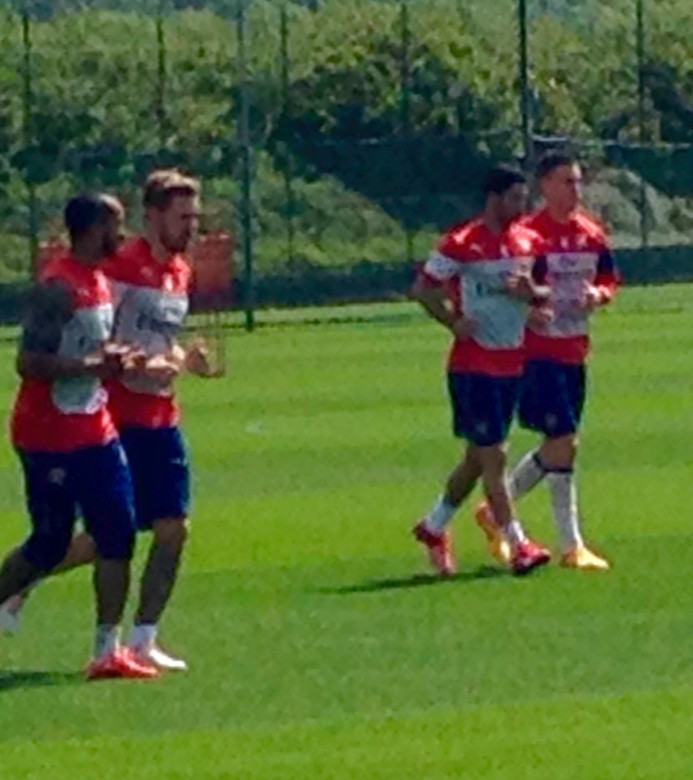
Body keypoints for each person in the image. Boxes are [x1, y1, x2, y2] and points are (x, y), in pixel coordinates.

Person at [0, 194, 158, 680]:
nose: (124, 235)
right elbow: (29, 362)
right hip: (48, 435)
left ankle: (107, 651)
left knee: (118, 533)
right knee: (50, 542)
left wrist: (116, 357)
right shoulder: (58, 286)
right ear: (93, 228)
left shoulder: (101, 284)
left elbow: (92, 349)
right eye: (117, 225)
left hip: (96, 428)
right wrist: (92, 365)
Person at [476, 153, 619, 571]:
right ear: (545, 186)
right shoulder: (526, 235)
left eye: (577, 182)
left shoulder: (590, 234)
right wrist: (529, 310)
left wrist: (600, 295)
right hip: (538, 352)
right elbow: (508, 287)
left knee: (559, 446)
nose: (574, 190)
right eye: (565, 182)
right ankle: (571, 545)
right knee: (565, 441)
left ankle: (492, 512)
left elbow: (610, 277)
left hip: (575, 348)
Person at [411, 166, 552, 577]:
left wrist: (532, 298)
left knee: (478, 457)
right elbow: (423, 288)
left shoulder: (528, 241)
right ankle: (518, 542)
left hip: (513, 360)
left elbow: (543, 294)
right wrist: (452, 321)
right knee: (496, 455)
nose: (521, 207)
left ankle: (434, 526)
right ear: (493, 198)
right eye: (514, 198)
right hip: (474, 366)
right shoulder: (462, 243)